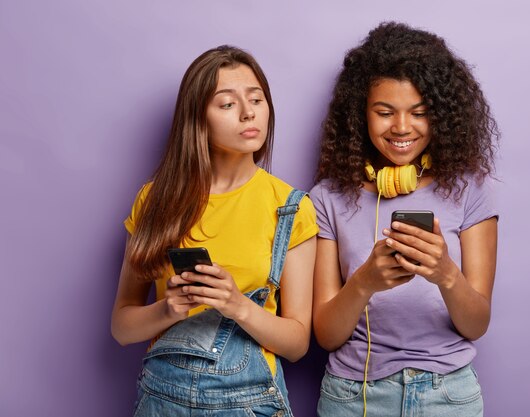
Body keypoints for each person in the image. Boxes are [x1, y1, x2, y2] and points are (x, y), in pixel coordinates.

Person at [111, 45, 318, 417]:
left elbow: (297, 343)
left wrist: (236, 305)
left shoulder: (290, 207)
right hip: (162, 403)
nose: (248, 112)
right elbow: (122, 327)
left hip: (249, 404)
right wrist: (169, 309)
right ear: (197, 118)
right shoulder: (155, 200)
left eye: (257, 99)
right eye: (226, 104)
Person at [310, 22, 499, 417]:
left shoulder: (469, 190)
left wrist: (445, 274)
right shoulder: (326, 198)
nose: (401, 127)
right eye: (384, 112)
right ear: (359, 114)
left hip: (448, 395)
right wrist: (364, 282)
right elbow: (327, 336)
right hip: (353, 396)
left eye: (419, 113)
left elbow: (477, 323)